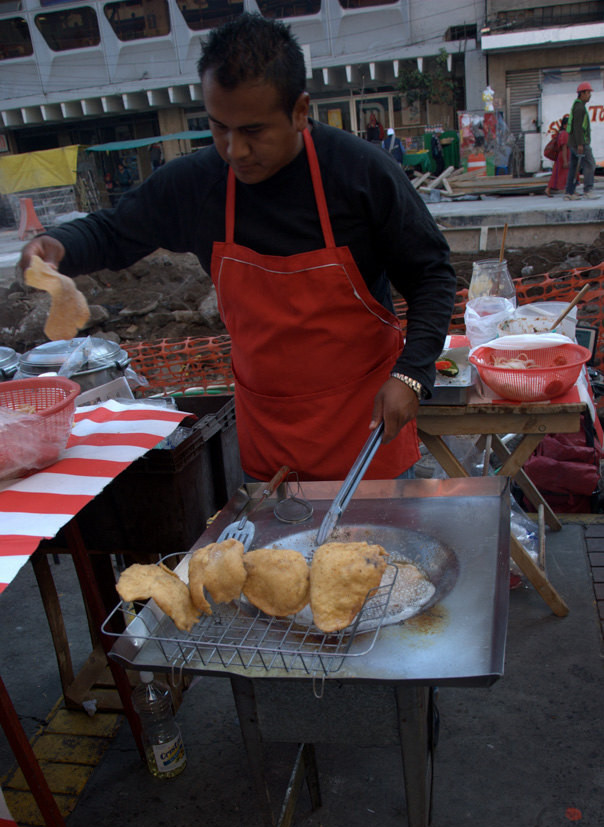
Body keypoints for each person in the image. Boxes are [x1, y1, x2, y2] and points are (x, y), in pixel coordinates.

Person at [19, 14, 456, 483]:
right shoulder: (198, 184)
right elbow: (114, 231)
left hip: (368, 424)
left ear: (300, 110)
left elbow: (431, 273)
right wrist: (60, 245)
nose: (235, 150)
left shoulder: (359, 174)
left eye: (253, 131)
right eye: (219, 127)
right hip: (271, 435)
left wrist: (412, 373)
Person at [564, 81, 595, 200]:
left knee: (573, 167)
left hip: (573, 143)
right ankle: (588, 190)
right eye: (588, 93)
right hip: (579, 143)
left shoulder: (576, 106)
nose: (590, 95)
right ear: (582, 93)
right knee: (590, 164)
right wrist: (581, 144)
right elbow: (577, 127)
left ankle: (569, 192)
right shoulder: (580, 108)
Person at [545, 115, 570, 197]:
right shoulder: (565, 134)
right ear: (565, 125)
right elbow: (564, 147)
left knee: (557, 174)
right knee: (565, 174)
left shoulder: (561, 133)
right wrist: (565, 161)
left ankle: (549, 189)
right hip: (564, 156)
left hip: (562, 156)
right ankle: (569, 190)